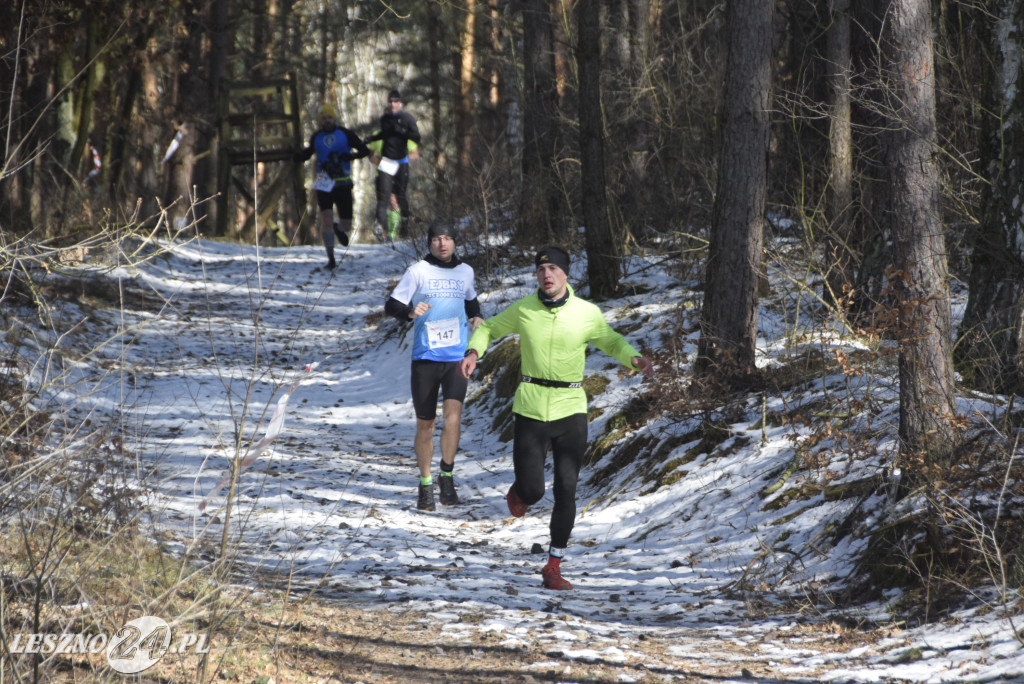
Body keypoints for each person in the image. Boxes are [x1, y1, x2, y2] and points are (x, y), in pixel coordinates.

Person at [458, 245, 655, 590]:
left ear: (566, 273)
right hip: (532, 407)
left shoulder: (586, 312)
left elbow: (610, 341)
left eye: (552, 269)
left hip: (570, 409)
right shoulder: (524, 309)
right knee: (533, 492)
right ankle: (520, 492)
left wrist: (633, 358)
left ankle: (553, 566)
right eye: (540, 269)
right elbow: (488, 328)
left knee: (567, 489)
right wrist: (474, 350)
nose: (546, 275)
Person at [386, 221, 484, 511]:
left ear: (455, 242)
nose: (443, 244)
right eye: (437, 239)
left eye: (448, 238)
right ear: (429, 243)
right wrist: (409, 311)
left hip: (455, 358)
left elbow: (471, 301)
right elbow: (391, 305)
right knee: (426, 425)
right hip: (426, 359)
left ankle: (447, 476)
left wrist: (476, 316)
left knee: (453, 418)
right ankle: (426, 483)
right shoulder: (418, 271)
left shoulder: (465, 271)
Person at [294, 103, 370, 269]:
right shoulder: (316, 137)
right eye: (324, 118)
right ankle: (331, 259)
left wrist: (348, 156)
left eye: (329, 117)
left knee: (346, 225)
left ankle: (338, 227)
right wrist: (294, 155)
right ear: (320, 121)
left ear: (333, 118)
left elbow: (364, 151)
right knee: (326, 217)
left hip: (343, 183)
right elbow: (306, 155)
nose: (327, 121)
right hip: (324, 183)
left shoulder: (345, 134)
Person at [366, 90, 421, 239]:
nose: (393, 104)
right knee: (383, 198)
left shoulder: (408, 118)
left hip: (401, 162)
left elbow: (416, 137)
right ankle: (382, 229)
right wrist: (371, 138)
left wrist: (401, 132)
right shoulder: (385, 119)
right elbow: (383, 135)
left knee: (400, 196)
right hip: (386, 162)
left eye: (396, 101)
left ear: (401, 103)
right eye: (391, 101)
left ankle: (404, 223)